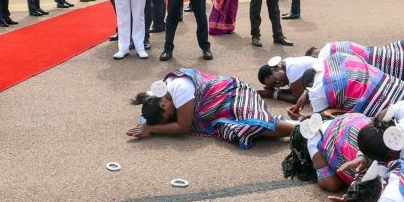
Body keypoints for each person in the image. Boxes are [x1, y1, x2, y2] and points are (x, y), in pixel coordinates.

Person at [126, 70, 297, 149]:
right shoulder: (158, 96)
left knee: (254, 125)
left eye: (168, 116)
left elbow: (183, 127)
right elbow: (149, 111)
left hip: (232, 93)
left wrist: (152, 128)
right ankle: (298, 123)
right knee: (234, 131)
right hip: (220, 107)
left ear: (164, 105)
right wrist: (148, 124)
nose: (171, 117)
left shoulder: (179, 90)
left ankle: (301, 130)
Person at [288, 54, 404, 120]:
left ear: (311, 85)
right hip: (393, 86)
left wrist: (300, 118)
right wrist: (307, 92)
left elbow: (322, 120)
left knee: (402, 116)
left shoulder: (317, 91)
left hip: (377, 105)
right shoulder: (335, 58)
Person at [283, 112, 372, 191]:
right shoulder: (344, 117)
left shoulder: (312, 140)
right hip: (370, 132)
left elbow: (331, 184)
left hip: (362, 151)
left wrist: (318, 171)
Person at [305, 40, 404, 82]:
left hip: (385, 66)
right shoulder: (332, 45)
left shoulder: (323, 58)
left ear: (314, 56)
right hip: (390, 55)